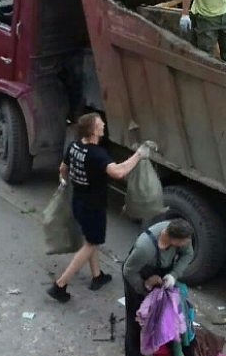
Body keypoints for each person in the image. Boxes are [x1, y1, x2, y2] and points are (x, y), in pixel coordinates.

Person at [47, 112, 150, 303]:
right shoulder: (97, 154)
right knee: (91, 244)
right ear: (94, 130)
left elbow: (63, 167)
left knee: (90, 239)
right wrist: (138, 155)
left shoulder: (74, 146)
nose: (103, 124)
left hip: (78, 201)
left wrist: (63, 179)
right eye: (99, 123)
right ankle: (60, 285)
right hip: (93, 207)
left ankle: (97, 276)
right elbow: (118, 172)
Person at [122, 219, 194, 356]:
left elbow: (188, 254)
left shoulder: (180, 234)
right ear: (173, 240)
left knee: (165, 314)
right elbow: (128, 271)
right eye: (183, 242)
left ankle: (163, 348)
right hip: (137, 275)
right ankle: (133, 354)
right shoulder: (145, 248)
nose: (186, 244)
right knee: (137, 318)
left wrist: (173, 275)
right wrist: (145, 291)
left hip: (161, 274)